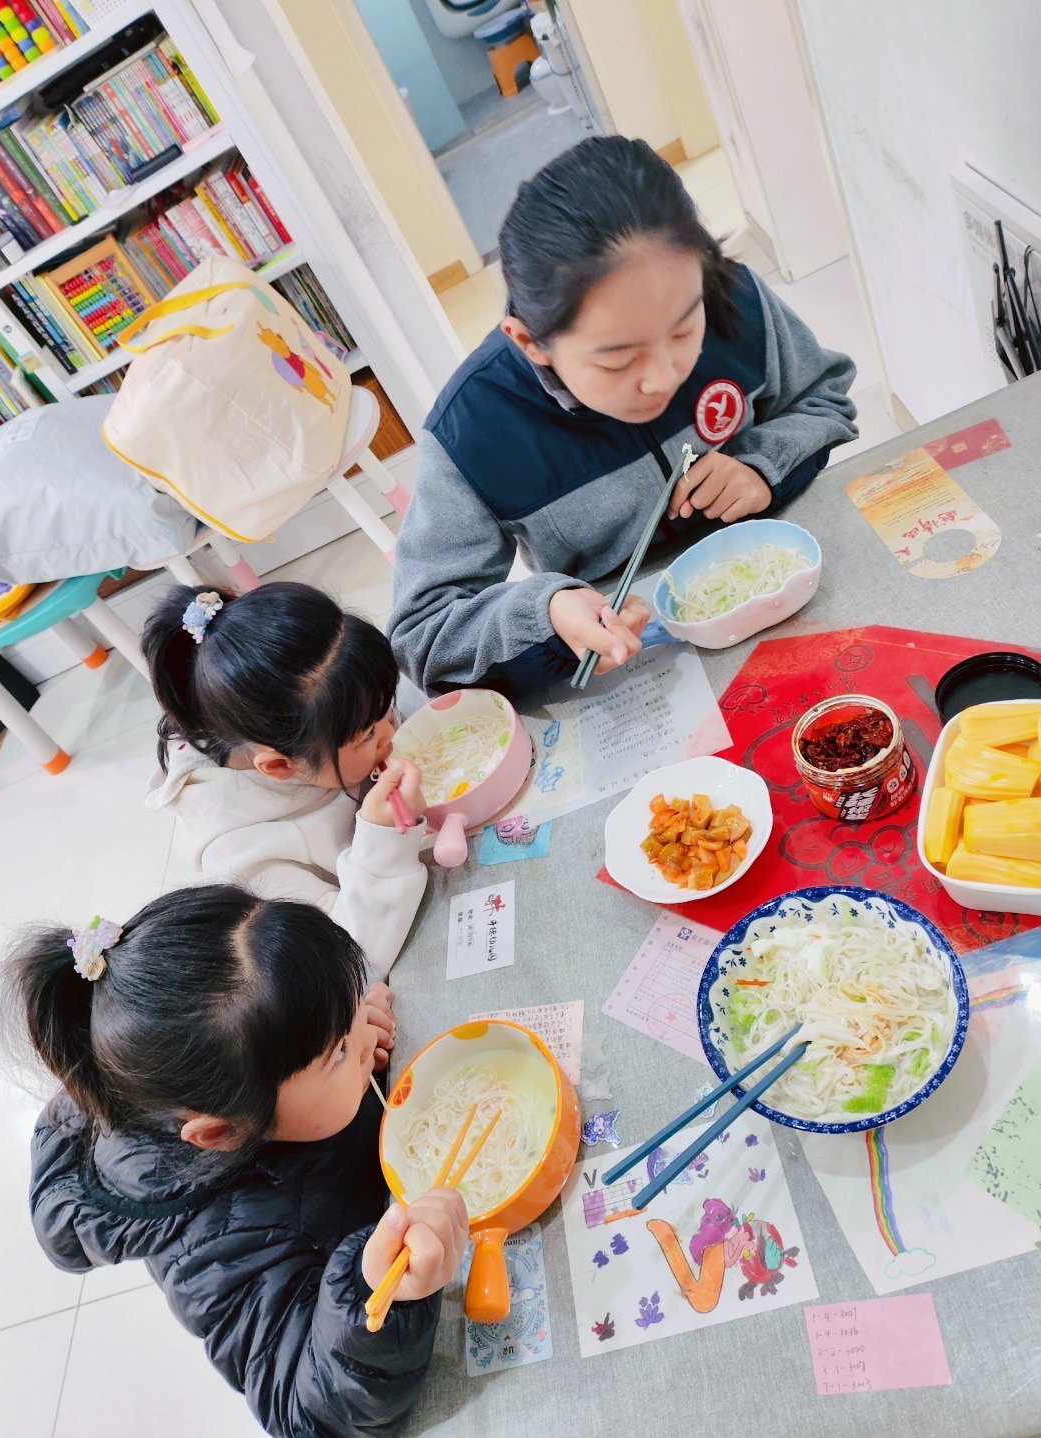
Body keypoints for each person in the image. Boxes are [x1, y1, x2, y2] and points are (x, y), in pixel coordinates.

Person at [389, 136, 858, 700]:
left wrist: (762, 465)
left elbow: (826, 395)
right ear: (530, 341)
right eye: (617, 357)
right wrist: (547, 608)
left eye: (685, 330)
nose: (663, 377)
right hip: (642, 661)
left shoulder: (730, 294)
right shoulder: (474, 426)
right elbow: (421, 634)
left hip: (796, 585)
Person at [3, 887, 468, 1438]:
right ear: (222, 1131)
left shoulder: (233, 1063)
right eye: (338, 1049)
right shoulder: (210, 1256)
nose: (365, 1033)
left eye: (351, 1012)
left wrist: (341, 1025)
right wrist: (377, 1293)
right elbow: (308, 1414)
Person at [142, 582, 427, 982]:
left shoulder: (319, 713)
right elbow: (346, 960)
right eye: (366, 734)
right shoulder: (237, 852)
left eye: (383, 707)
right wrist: (383, 839)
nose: (387, 732)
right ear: (279, 767)